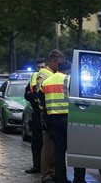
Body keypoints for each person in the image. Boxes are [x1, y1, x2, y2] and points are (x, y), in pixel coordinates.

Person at [40, 60, 86, 183]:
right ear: (69, 70)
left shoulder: (46, 82)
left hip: (53, 120)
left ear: (58, 68)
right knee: (78, 149)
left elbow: (41, 102)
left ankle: (61, 179)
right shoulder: (69, 80)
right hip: (69, 118)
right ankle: (79, 179)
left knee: (59, 152)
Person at [38, 50, 65, 183]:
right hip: (48, 115)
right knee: (48, 148)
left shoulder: (56, 74)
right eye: (60, 62)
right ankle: (47, 176)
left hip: (56, 115)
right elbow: (40, 96)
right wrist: (44, 115)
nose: (61, 65)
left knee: (56, 148)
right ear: (54, 60)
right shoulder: (43, 74)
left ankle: (55, 173)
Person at [23, 58, 50, 174]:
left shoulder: (49, 77)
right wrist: (34, 99)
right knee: (36, 142)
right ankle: (37, 166)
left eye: (42, 67)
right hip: (36, 113)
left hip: (47, 113)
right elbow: (26, 94)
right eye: (38, 67)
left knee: (48, 143)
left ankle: (47, 168)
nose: (40, 70)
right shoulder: (33, 77)